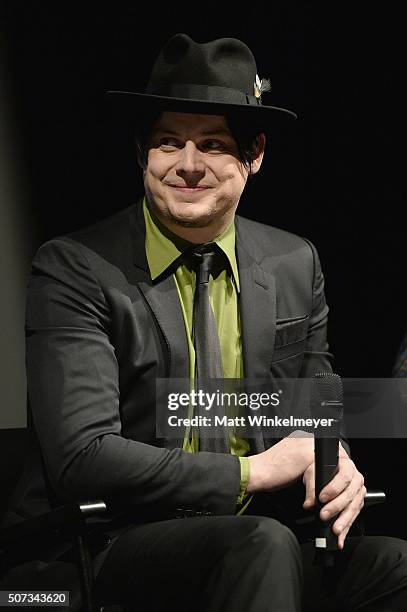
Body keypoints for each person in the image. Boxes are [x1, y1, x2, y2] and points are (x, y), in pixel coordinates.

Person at [3, 32, 407, 611]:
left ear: (255, 155)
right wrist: (252, 471)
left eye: (213, 144)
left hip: (260, 536)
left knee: (394, 566)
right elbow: (84, 458)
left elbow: (312, 410)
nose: (188, 166)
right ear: (143, 152)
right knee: (257, 544)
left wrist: (332, 459)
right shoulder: (74, 267)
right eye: (169, 141)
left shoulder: (296, 262)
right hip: (106, 542)